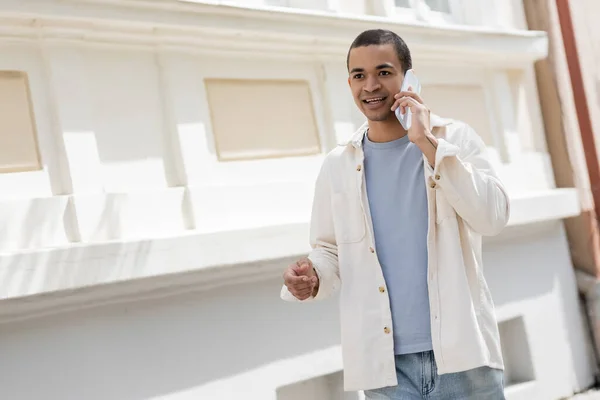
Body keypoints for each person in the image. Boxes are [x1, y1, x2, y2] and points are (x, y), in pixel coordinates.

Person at [281, 29, 509, 399]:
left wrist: (428, 144)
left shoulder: (454, 140)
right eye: (359, 75)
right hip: (384, 369)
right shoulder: (338, 165)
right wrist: (313, 277)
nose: (370, 85)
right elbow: (328, 249)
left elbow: (493, 217)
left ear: (409, 77)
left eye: (384, 72)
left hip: (462, 357)